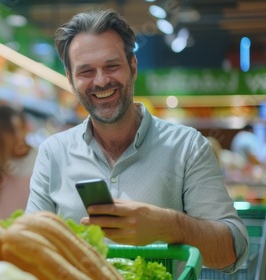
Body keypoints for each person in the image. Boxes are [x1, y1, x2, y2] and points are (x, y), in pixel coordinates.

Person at [25, 9, 248, 273]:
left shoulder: (188, 147)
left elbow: (233, 253)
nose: (101, 81)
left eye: (112, 66)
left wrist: (168, 225)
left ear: (133, 66)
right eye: (86, 71)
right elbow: (30, 246)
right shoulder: (53, 153)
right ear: (71, 80)